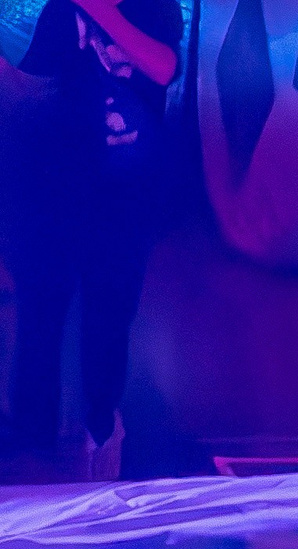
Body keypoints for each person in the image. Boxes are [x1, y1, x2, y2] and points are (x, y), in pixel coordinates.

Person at [0, 0, 180, 479]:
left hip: (127, 188)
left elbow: (164, 68)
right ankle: (32, 433)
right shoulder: (62, 10)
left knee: (108, 311)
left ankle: (101, 424)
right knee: (43, 306)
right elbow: (35, 79)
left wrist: (103, 13)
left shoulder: (154, 6)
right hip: (60, 184)